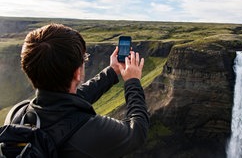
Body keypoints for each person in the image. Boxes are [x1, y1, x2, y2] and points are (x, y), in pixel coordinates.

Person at [4, 24, 149, 157]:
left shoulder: (17, 114)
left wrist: (112, 71)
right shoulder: (91, 131)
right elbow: (137, 133)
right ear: (77, 73)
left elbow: (68, 100)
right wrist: (132, 81)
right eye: (84, 59)